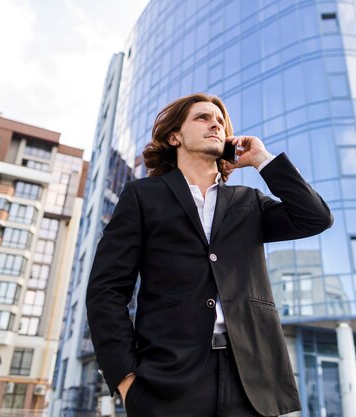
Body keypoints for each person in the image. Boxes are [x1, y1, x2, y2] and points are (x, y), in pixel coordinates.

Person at [86, 93, 333, 417]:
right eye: (202, 117)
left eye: (220, 121)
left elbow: (315, 217)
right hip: (168, 383)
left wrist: (263, 160)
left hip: (252, 382)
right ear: (175, 136)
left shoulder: (250, 201)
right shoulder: (143, 196)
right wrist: (126, 379)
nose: (215, 123)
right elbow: (106, 290)